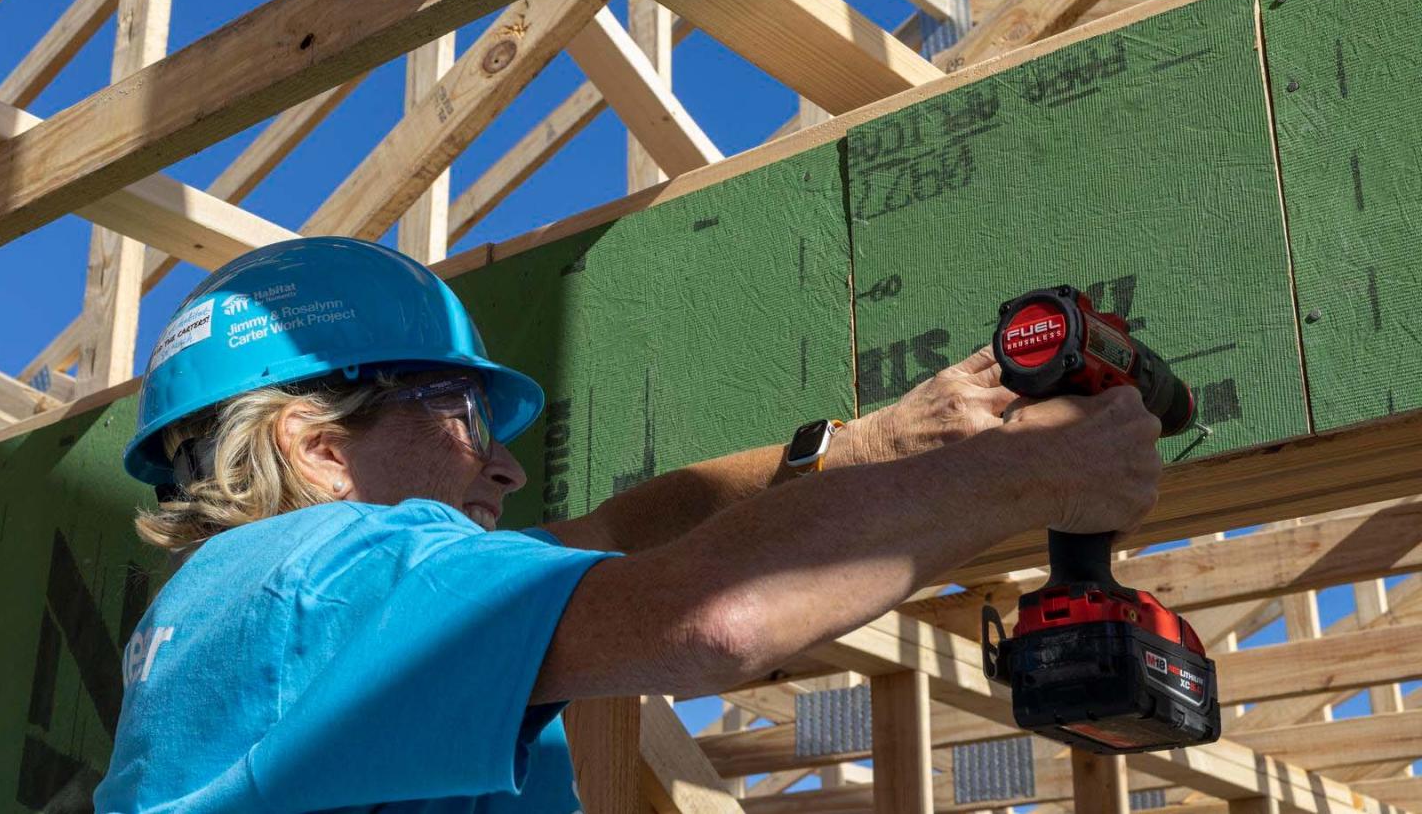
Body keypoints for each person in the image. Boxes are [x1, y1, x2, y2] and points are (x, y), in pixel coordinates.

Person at [94, 237, 1162, 813]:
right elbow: (713, 615)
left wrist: (869, 444)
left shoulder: (258, 610)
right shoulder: (336, 571)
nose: (503, 461)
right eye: (461, 414)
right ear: (318, 444)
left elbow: (611, 534)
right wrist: (1029, 476)